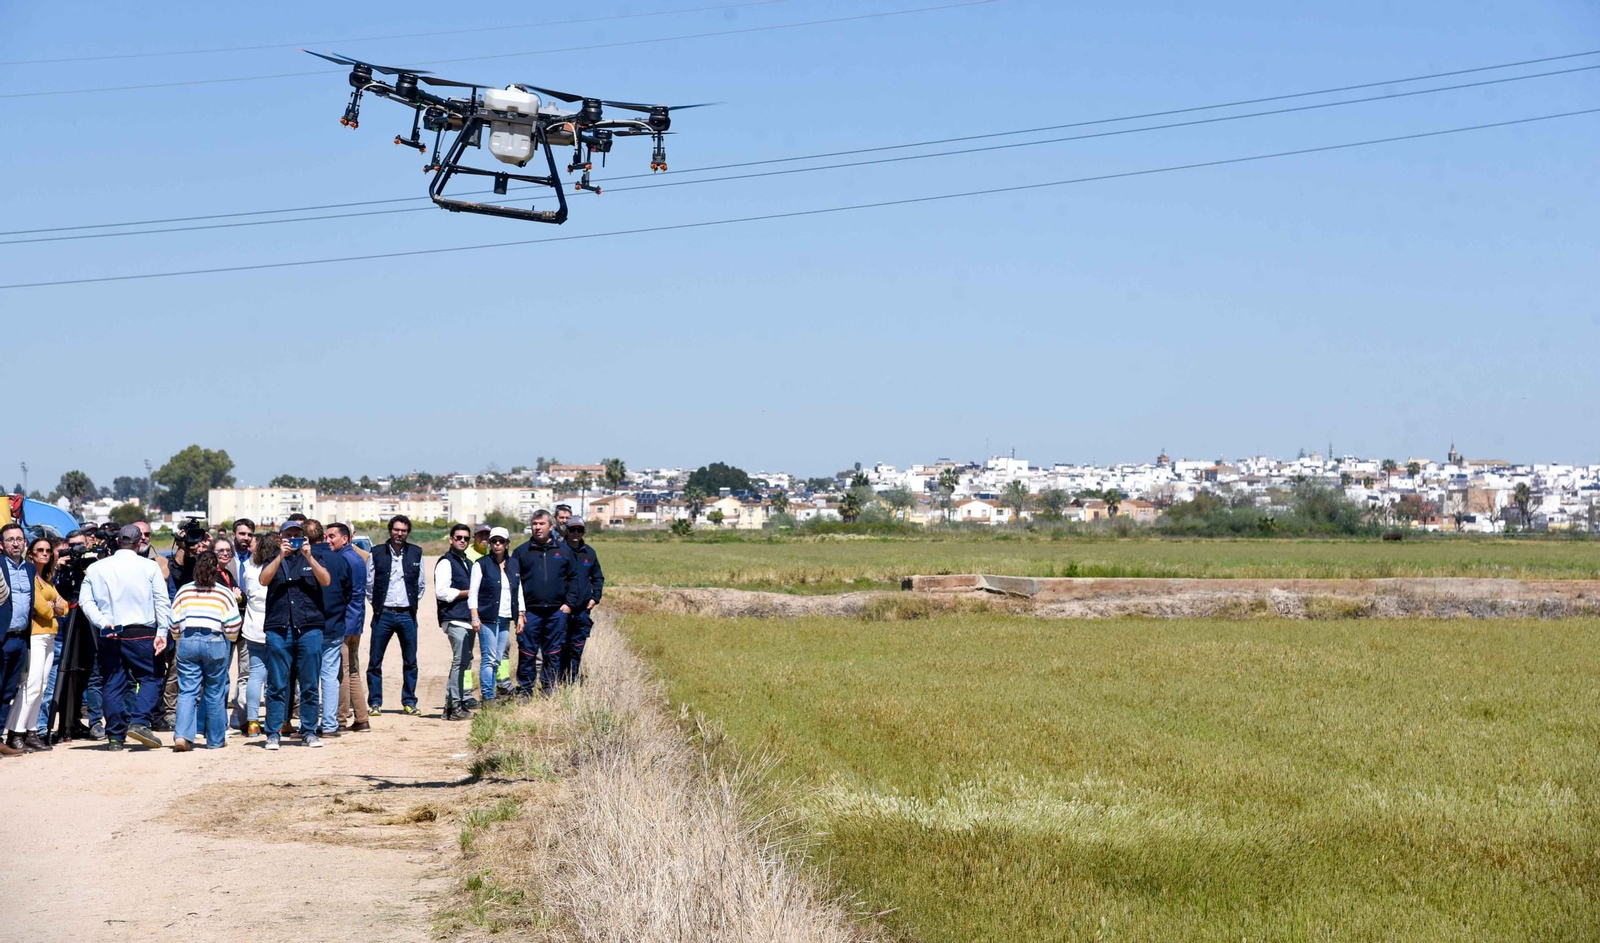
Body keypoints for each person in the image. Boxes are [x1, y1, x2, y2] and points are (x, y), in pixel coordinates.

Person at [78, 524, 173, 750]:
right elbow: (162, 601)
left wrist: (101, 621)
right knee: (151, 677)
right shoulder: (149, 567)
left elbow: (85, 601)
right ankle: (140, 721)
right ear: (139, 542)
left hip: (110, 630)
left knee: (112, 681)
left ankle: (114, 737)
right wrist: (162, 632)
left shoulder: (97, 568)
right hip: (142, 631)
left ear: (118, 541)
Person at [258, 520, 330, 750]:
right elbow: (263, 579)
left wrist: (308, 556)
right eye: (289, 536)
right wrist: (280, 556)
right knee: (277, 684)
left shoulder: (313, 558)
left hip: (309, 627)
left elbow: (326, 580)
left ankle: (309, 730)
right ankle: (273, 732)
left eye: (297, 535)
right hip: (279, 627)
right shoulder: (274, 559)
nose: (294, 539)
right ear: (281, 538)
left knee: (309, 683)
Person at [170, 551, 242, 751]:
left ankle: (183, 735)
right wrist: (229, 637)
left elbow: (174, 620)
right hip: (214, 640)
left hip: (188, 639)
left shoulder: (185, 590)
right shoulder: (223, 592)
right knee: (214, 691)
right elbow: (234, 622)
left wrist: (178, 637)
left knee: (187, 690)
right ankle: (215, 739)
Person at [4, 537, 67, 754]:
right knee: (30, 685)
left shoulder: (47, 579)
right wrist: (53, 606)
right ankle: (16, 731)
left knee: (41, 686)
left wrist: (55, 605)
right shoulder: (30, 576)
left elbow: (64, 607)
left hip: (50, 635)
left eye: (48, 550)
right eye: (40, 550)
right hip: (36, 635)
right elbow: (44, 609)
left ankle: (30, 731)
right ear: (30, 553)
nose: (45, 553)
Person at [511, 510, 580, 695]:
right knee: (527, 651)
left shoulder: (564, 551)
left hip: (557, 611)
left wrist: (569, 605)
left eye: (541, 524)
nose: (537, 527)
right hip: (530, 612)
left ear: (551, 526)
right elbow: (514, 584)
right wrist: (519, 611)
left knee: (553, 652)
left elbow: (574, 578)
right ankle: (525, 689)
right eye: (534, 524)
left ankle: (549, 687)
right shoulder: (521, 552)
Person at [366, 514, 425, 717]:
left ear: (408, 533)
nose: (400, 533)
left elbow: (421, 584)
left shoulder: (416, 553)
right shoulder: (376, 552)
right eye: (396, 529)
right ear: (390, 530)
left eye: (404, 530)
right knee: (375, 661)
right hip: (384, 614)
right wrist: (377, 605)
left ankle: (409, 701)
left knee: (410, 661)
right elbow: (369, 583)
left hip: (407, 614)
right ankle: (375, 702)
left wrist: (411, 603)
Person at [305, 520, 351, 739]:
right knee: (330, 677)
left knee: (308, 677)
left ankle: (309, 724)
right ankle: (330, 724)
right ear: (323, 536)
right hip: (334, 624)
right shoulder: (339, 560)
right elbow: (348, 592)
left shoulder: (301, 560)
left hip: (309, 626)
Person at [469, 526, 519, 708]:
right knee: (489, 658)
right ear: (490, 543)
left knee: (498, 658)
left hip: (505, 617)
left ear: (507, 544)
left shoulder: (513, 564)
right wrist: (475, 616)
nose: (497, 545)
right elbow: (473, 592)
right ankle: (488, 697)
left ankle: (493, 693)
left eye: (501, 541)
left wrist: (520, 614)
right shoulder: (481, 564)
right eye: (494, 541)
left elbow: (517, 590)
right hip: (488, 617)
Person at [326, 523, 369, 732]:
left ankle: (340, 720)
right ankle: (362, 718)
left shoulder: (344, 558)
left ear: (345, 538)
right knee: (351, 670)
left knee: (340, 672)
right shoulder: (357, 557)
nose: (328, 540)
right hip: (356, 620)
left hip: (345, 621)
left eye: (332, 536)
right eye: (326, 536)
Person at [0, 524, 38, 755]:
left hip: (21, 638)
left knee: (8, 692)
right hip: (2, 638)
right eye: (10, 539)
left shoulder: (30, 569)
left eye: (19, 539)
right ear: (1, 544)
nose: (15, 543)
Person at [435, 524, 477, 721]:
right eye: (458, 537)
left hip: (467, 619)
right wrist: (468, 593)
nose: (462, 540)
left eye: (466, 538)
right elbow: (442, 592)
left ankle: (451, 707)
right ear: (451, 539)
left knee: (464, 661)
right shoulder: (446, 562)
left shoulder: (467, 562)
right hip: (453, 618)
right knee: (459, 661)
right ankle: (454, 706)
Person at [235, 532, 274, 736]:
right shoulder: (274, 570)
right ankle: (273, 718)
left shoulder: (249, 570)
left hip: (252, 625)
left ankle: (252, 721)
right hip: (272, 624)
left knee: (254, 675)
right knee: (274, 677)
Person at [561, 517, 605, 685]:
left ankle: (571, 680)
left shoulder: (589, 552)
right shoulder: (558, 550)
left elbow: (598, 577)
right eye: (573, 529)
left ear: (584, 531)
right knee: (560, 647)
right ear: (567, 530)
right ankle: (558, 679)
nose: (576, 533)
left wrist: (595, 598)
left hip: (582, 610)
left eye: (579, 530)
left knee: (577, 647)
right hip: (562, 609)